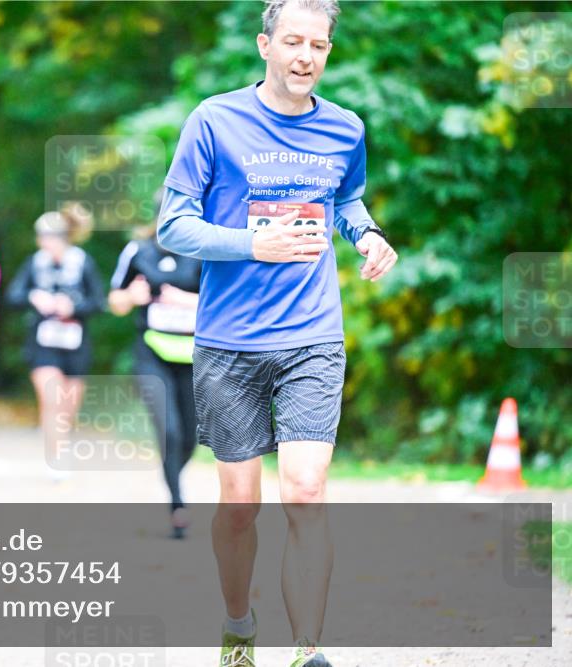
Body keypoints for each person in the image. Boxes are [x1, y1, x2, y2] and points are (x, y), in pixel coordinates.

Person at [158, 1, 398, 665]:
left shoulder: (345, 128)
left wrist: (368, 234)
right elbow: (175, 225)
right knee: (239, 502)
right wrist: (250, 244)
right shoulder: (214, 120)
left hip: (312, 332)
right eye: (292, 41)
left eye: (318, 45)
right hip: (230, 338)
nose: (305, 56)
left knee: (307, 489)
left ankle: (308, 647)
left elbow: (345, 199)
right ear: (265, 44)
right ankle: (238, 622)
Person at [109, 192, 202, 539]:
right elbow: (114, 299)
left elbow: (222, 303)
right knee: (170, 431)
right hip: (151, 353)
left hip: (194, 357)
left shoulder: (204, 249)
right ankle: (178, 504)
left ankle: (172, 472)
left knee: (189, 438)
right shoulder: (139, 250)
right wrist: (129, 298)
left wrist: (183, 300)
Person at [5, 204, 106, 481]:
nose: (44, 242)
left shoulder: (82, 262)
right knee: (51, 399)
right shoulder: (34, 263)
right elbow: (12, 295)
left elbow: (99, 302)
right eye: (41, 237)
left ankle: (61, 442)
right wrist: (34, 298)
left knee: (68, 406)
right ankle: (55, 455)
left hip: (75, 343)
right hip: (43, 343)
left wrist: (72, 307)